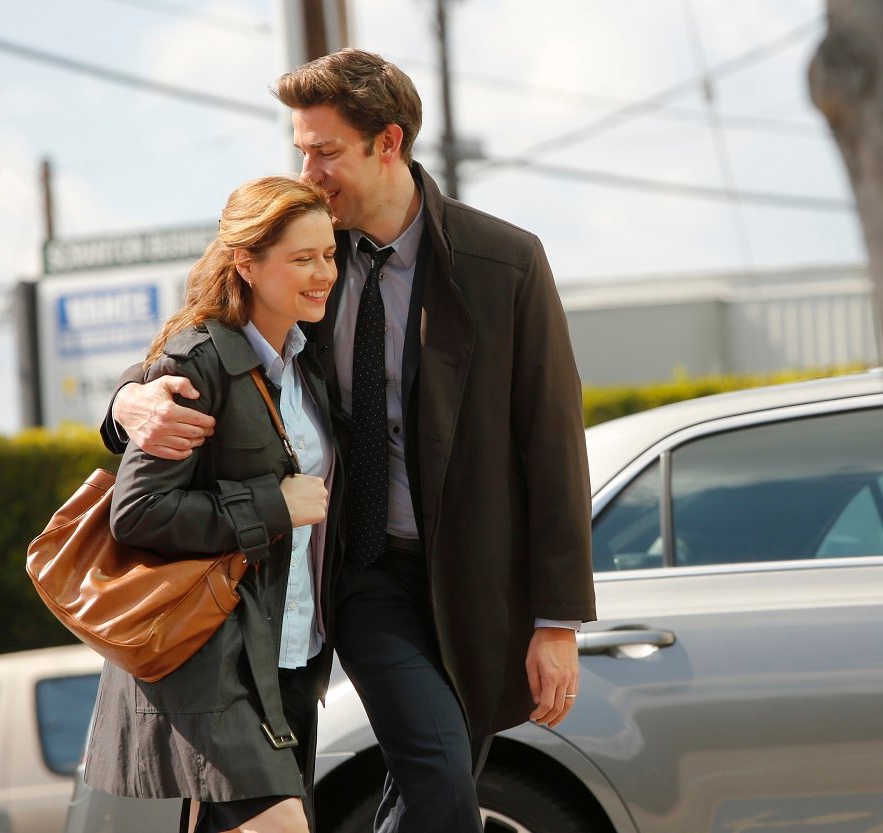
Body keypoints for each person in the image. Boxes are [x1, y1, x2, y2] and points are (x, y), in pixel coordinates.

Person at [102, 49, 597, 833]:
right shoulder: (304, 259)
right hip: (361, 572)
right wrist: (129, 397)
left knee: (431, 789)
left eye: (326, 150)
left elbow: (553, 445)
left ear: (388, 143)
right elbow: (203, 337)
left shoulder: (506, 263)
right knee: (440, 784)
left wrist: (557, 620)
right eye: (302, 147)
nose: (309, 168)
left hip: (474, 588)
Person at [85, 175, 342, 833]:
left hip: (292, 661)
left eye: (330, 254)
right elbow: (138, 511)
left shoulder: (305, 358)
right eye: (303, 258)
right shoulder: (198, 362)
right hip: (216, 663)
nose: (324, 273)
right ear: (246, 263)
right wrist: (271, 505)